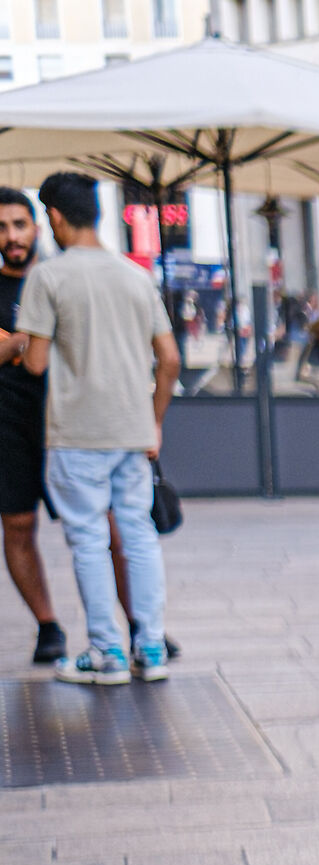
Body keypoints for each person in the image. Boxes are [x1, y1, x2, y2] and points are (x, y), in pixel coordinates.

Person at [20, 172, 178, 686]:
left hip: (77, 433)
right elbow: (170, 359)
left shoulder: (49, 277)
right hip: (132, 432)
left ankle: (107, 653)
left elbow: (37, 364)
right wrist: (152, 421)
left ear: (56, 218)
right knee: (139, 536)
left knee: (88, 539)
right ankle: (150, 649)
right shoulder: (135, 275)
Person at [0, 187, 62, 665]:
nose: (11, 236)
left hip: (69, 423)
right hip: (8, 426)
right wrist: (39, 336)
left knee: (106, 528)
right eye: (1, 227)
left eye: (19, 224)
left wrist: (16, 340)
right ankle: (47, 626)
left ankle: (140, 623)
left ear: (37, 226)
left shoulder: (60, 278)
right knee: (18, 526)